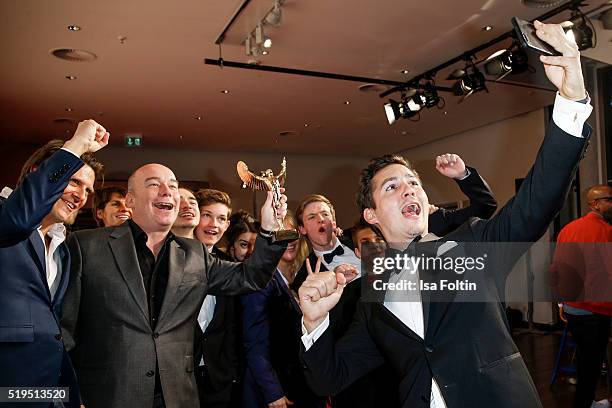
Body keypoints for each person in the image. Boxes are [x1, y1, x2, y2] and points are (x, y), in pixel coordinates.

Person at [298, 20, 592, 408]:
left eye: (413, 182)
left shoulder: (473, 242)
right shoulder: (371, 297)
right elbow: (328, 378)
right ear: (371, 215)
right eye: (392, 187)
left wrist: (571, 100)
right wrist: (314, 322)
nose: (409, 188)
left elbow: (538, 199)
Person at [60, 164, 288, 408]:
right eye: (154, 184)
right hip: (107, 397)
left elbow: (250, 277)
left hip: (177, 398)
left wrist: (269, 229)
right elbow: (64, 332)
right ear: (130, 200)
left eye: (172, 186)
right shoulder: (86, 246)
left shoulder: (195, 253)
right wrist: (71, 396)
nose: (167, 191)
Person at [0, 119, 108, 408]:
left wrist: (67, 398)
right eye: (74, 181)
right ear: (39, 172)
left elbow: (53, 333)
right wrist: (75, 146)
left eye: (87, 190)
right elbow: (18, 220)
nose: (81, 196)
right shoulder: (5, 216)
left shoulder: (64, 251)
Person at [241, 212, 324, 408]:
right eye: (279, 232)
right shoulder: (259, 279)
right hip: (275, 389)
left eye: (291, 232)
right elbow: (254, 342)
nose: (288, 239)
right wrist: (272, 392)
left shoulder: (304, 274)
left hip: (304, 384)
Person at [551, 184, 612, 408]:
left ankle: (587, 402)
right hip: (595, 309)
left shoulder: (568, 229)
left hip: (573, 308)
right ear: (595, 203)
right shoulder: (606, 231)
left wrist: (560, 302)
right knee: (592, 363)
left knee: (586, 360)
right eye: (609, 200)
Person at [191, 189, 242, 408]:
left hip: (218, 380)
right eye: (207, 215)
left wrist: (231, 373)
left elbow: (232, 327)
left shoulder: (230, 266)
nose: (214, 224)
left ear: (227, 225)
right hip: (177, 377)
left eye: (221, 218)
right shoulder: (169, 258)